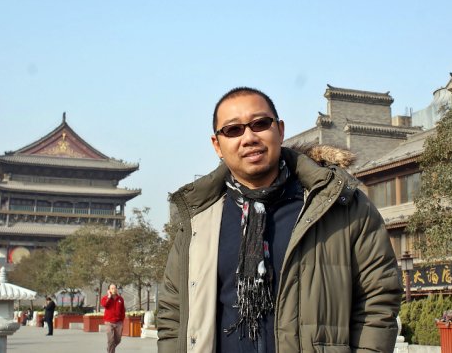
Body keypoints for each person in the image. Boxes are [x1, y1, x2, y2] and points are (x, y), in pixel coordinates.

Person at [157, 87, 403, 352]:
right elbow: (173, 312)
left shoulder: (338, 205)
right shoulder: (199, 220)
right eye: (233, 130)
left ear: (280, 130)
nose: (249, 137)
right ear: (217, 145)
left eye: (260, 124)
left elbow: (378, 299)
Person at [100, 283, 126, 353]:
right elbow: (104, 305)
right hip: (109, 322)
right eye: (112, 288)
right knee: (111, 339)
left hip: (118, 322)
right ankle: (110, 350)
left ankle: (110, 347)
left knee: (118, 340)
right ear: (109, 290)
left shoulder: (120, 299)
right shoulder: (105, 298)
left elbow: (123, 310)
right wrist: (109, 297)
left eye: (115, 288)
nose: (114, 290)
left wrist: (122, 321)